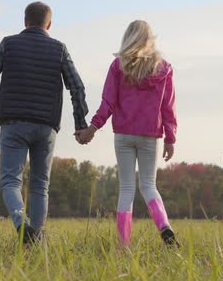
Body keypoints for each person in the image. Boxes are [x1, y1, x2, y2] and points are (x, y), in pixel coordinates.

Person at [0, 2, 89, 244]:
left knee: (10, 181)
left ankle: (21, 224)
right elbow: (77, 86)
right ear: (49, 24)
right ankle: (35, 239)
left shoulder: (9, 44)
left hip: (13, 123)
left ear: (24, 21)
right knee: (40, 185)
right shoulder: (60, 49)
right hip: (46, 127)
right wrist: (80, 123)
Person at [75, 20, 179, 246]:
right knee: (149, 185)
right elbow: (167, 107)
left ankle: (124, 245)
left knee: (127, 189)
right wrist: (170, 138)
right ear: (150, 40)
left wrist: (92, 129)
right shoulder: (164, 69)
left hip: (123, 134)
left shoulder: (118, 66)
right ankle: (165, 227)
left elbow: (108, 103)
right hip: (151, 135)